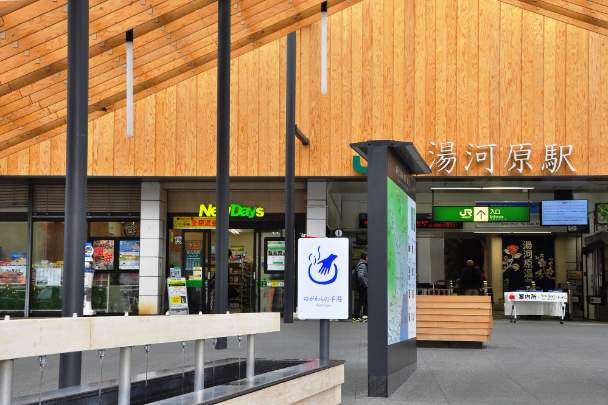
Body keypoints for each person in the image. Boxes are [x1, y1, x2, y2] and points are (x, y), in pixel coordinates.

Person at [353, 253, 368, 322]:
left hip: (362, 286)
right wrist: (366, 284)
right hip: (362, 286)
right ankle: (357, 317)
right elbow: (360, 276)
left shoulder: (361, 264)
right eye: (367, 257)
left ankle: (363, 316)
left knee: (363, 301)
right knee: (361, 301)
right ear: (365, 257)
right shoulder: (362, 265)